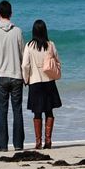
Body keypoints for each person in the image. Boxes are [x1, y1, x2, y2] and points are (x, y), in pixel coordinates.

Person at [0, 0, 26, 152]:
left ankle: (2, 146)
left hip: (1, 76)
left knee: (2, 110)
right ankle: (19, 145)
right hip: (16, 76)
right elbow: (23, 55)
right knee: (17, 110)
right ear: (11, 13)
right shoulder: (18, 31)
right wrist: (24, 73)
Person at [21, 19, 63, 150]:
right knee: (49, 111)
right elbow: (58, 62)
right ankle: (48, 141)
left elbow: (25, 65)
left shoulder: (29, 45)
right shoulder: (50, 44)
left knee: (37, 113)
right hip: (49, 82)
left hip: (35, 82)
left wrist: (26, 79)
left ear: (33, 31)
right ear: (45, 31)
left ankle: (38, 142)